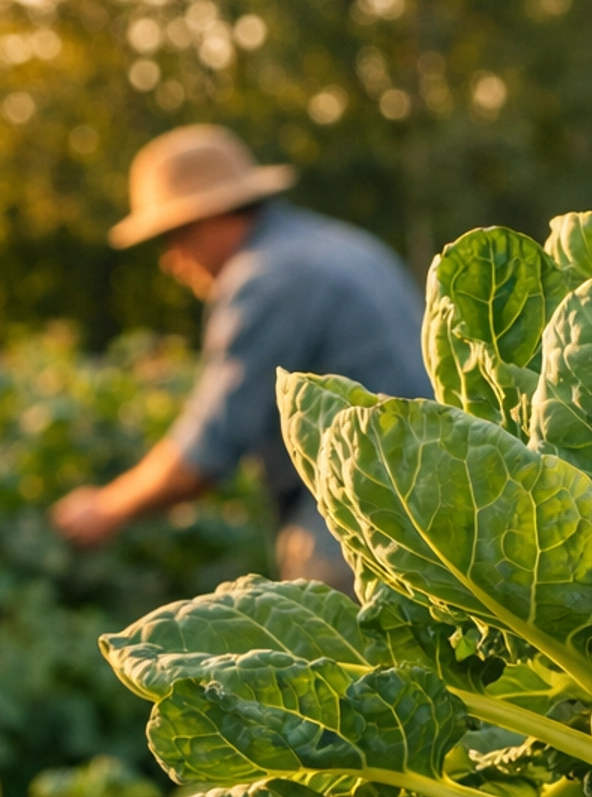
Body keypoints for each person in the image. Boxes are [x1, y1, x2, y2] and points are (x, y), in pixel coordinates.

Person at [51, 125, 430, 587]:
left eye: (174, 236)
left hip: (363, 527)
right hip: (430, 511)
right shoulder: (346, 246)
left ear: (211, 216)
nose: (171, 259)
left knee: (328, 644)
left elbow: (208, 450)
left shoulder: (263, 280)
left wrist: (107, 508)